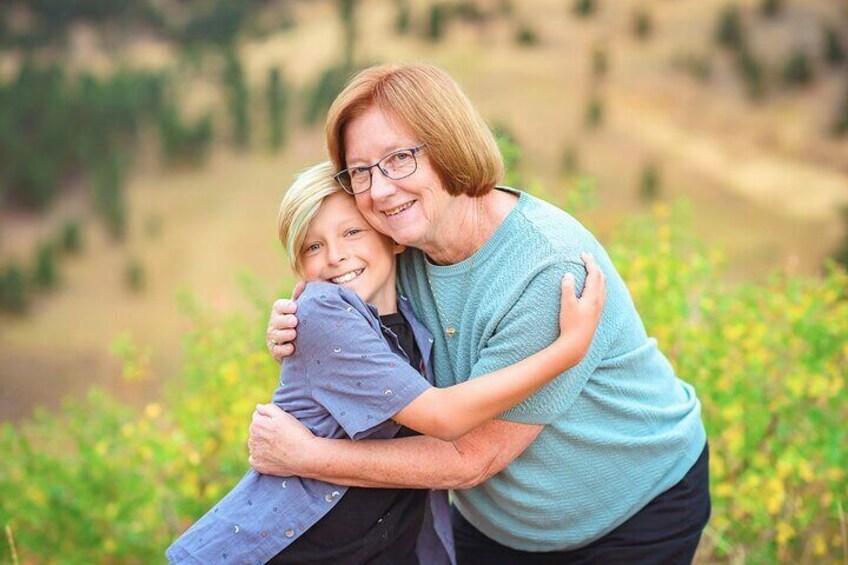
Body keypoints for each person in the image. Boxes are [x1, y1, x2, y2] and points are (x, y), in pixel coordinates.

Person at [252, 63, 710, 564]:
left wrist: (308, 458)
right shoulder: (395, 247)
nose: (379, 190)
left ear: (448, 146)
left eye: (399, 159)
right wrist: (294, 327)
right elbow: (329, 300)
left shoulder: (546, 270)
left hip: (631, 514)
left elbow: (468, 456)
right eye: (361, 171)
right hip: (496, 523)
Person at [167, 161, 606, 564]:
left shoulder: (412, 307)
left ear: (391, 237)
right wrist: (567, 350)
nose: (335, 256)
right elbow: (443, 416)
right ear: (298, 266)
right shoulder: (324, 312)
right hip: (288, 549)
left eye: (352, 233)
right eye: (312, 246)